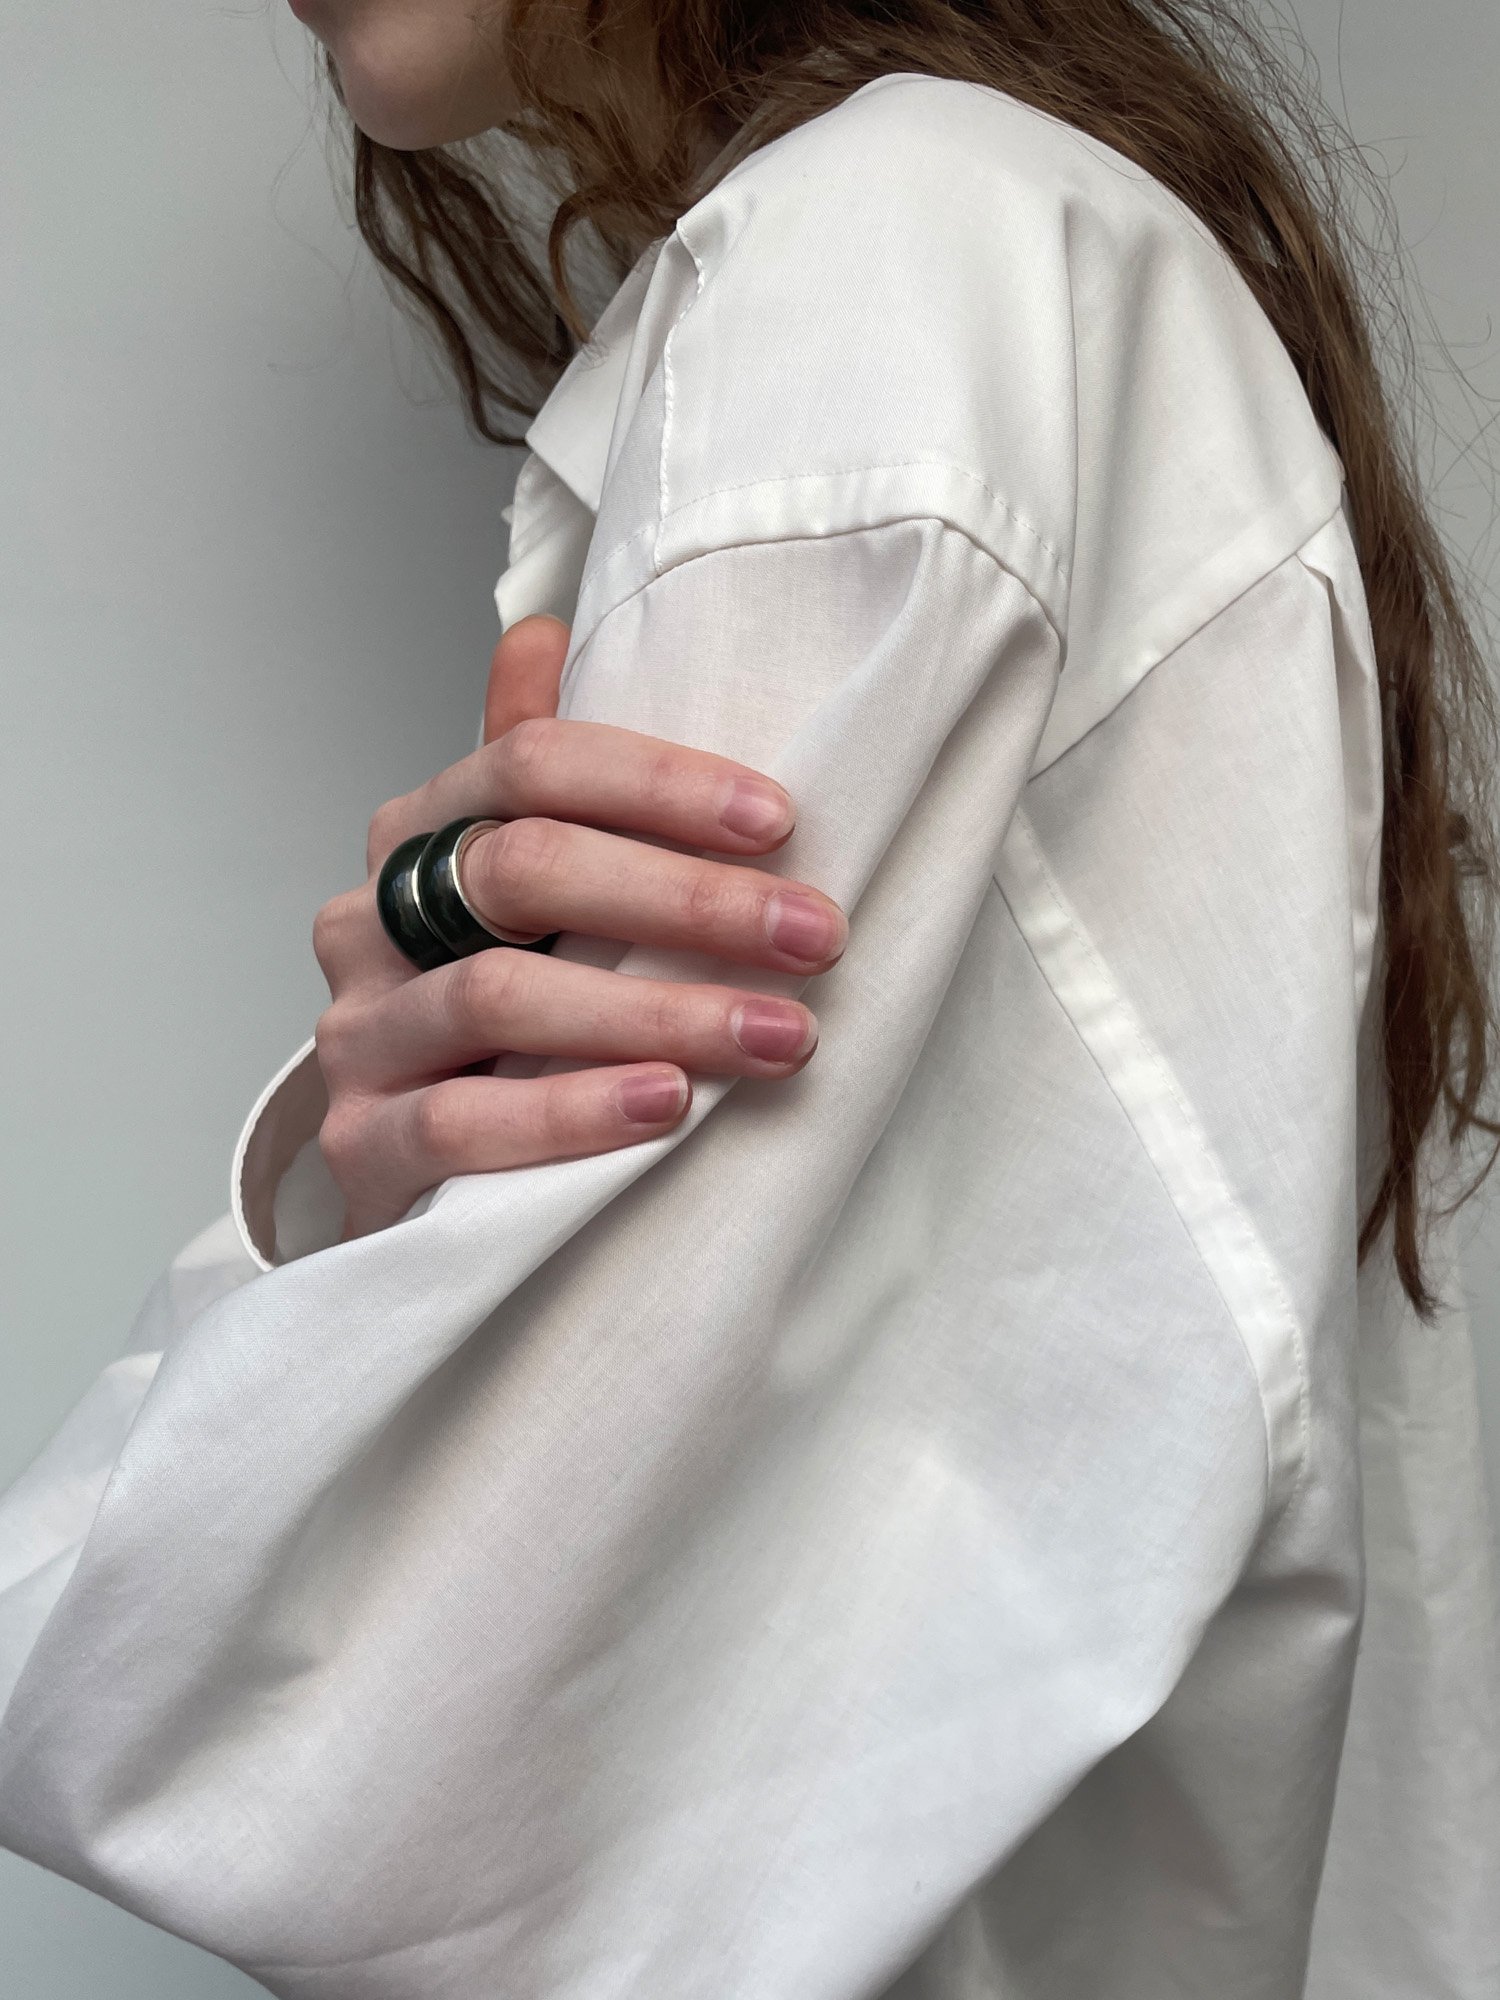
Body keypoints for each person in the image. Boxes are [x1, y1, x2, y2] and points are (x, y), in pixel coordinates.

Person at [1, 2, 1498, 1995]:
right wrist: (397, 1135)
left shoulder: (883, 259)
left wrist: (338, 1239)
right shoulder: (1035, 251)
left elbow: (349, 1750)